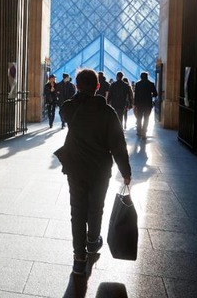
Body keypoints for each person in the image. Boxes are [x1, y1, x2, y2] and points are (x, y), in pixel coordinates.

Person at [59, 68, 131, 275]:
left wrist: (80, 93)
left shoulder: (70, 108)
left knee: (77, 210)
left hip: (76, 168)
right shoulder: (108, 112)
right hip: (100, 169)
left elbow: (65, 108)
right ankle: (92, 242)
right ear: (98, 87)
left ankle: (78, 258)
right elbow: (118, 145)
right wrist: (125, 171)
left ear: (77, 86)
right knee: (96, 207)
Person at [133, 71, 158, 139]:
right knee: (146, 118)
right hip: (148, 104)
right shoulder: (151, 84)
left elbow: (136, 95)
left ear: (141, 77)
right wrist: (150, 95)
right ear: (147, 77)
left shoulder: (138, 84)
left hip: (140, 104)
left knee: (139, 118)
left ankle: (139, 131)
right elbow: (155, 94)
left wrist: (135, 104)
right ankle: (144, 132)